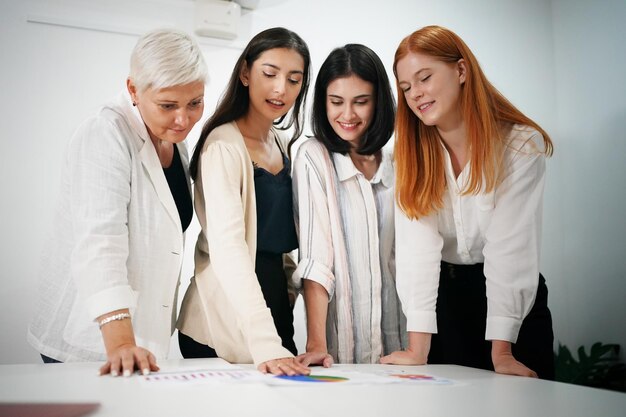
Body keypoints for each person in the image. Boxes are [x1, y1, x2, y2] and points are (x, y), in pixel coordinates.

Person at [27, 28, 208, 376]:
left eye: (195, 103)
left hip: (144, 339)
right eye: (168, 105)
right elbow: (100, 242)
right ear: (133, 90)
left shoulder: (176, 141)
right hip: (92, 341)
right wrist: (122, 341)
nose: (183, 119)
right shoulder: (105, 133)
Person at [380, 25, 555, 380]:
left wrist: (502, 353)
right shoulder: (406, 155)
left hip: (512, 304)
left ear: (461, 71)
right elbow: (417, 250)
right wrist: (418, 349)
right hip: (446, 299)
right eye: (406, 87)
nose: (416, 94)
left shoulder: (520, 145)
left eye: (424, 78)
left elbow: (510, 248)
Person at [176, 27, 311, 376]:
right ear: (246, 73)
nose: (281, 88)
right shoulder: (223, 145)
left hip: (273, 311)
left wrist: (289, 297)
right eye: (270, 74)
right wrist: (265, 340)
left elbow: (281, 243)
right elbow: (229, 250)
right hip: (224, 320)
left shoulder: (281, 144)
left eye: (294, 79)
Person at [291, 44, 406, 366]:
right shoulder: (314, 157)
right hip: (343, 351)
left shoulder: (399, 160)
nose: (348, 115)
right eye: (336, 102)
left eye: (361, 102)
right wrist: (316, 343)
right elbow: (317, 259)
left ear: (379, 102)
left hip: (404, 342)